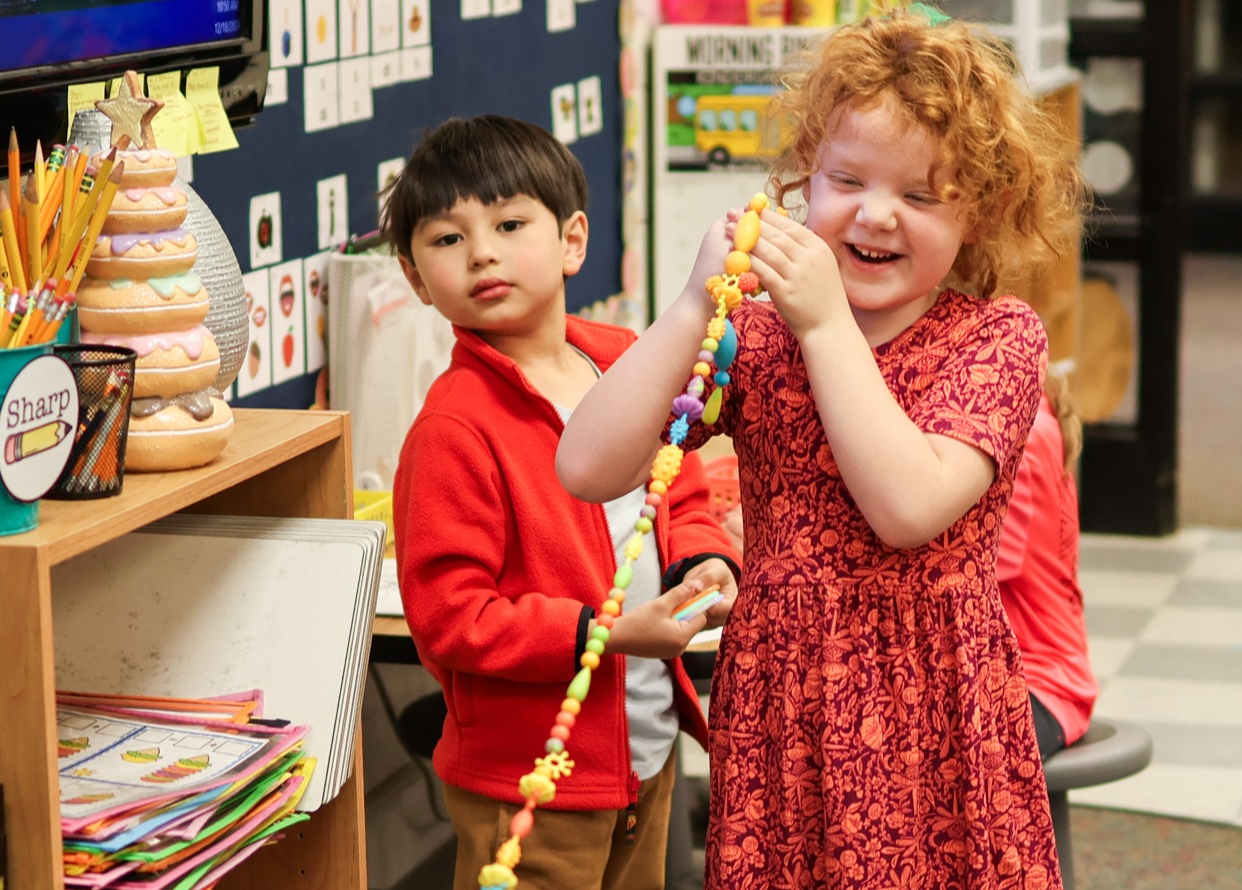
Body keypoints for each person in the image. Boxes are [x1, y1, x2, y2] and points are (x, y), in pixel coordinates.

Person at [554, 8, 1085, 888]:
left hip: (934, 707)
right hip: (784, 702)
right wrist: (692, 305)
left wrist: (823, 320)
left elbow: (907, 508)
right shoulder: (756, 338)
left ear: (981, 214)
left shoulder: (998, 340)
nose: (876, 214)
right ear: (806, 180)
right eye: (848, 179)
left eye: (920, 195)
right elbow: (587, 468)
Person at [383, 115, 740, 890]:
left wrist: (706, 560)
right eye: (447, 240)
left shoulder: (625, 359)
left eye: (510, 224)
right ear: (415, 279)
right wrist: (603, 635)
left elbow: (681, 482)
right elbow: (452, 619)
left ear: (573, 240)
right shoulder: (453, 427)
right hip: (528, 782)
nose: (481, 252)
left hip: (644, 749)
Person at [998, 374, 1099, 760]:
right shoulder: (1031, 411)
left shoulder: (1019, 433)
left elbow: (966, 575)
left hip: (1039, 681)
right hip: (1020, 671)